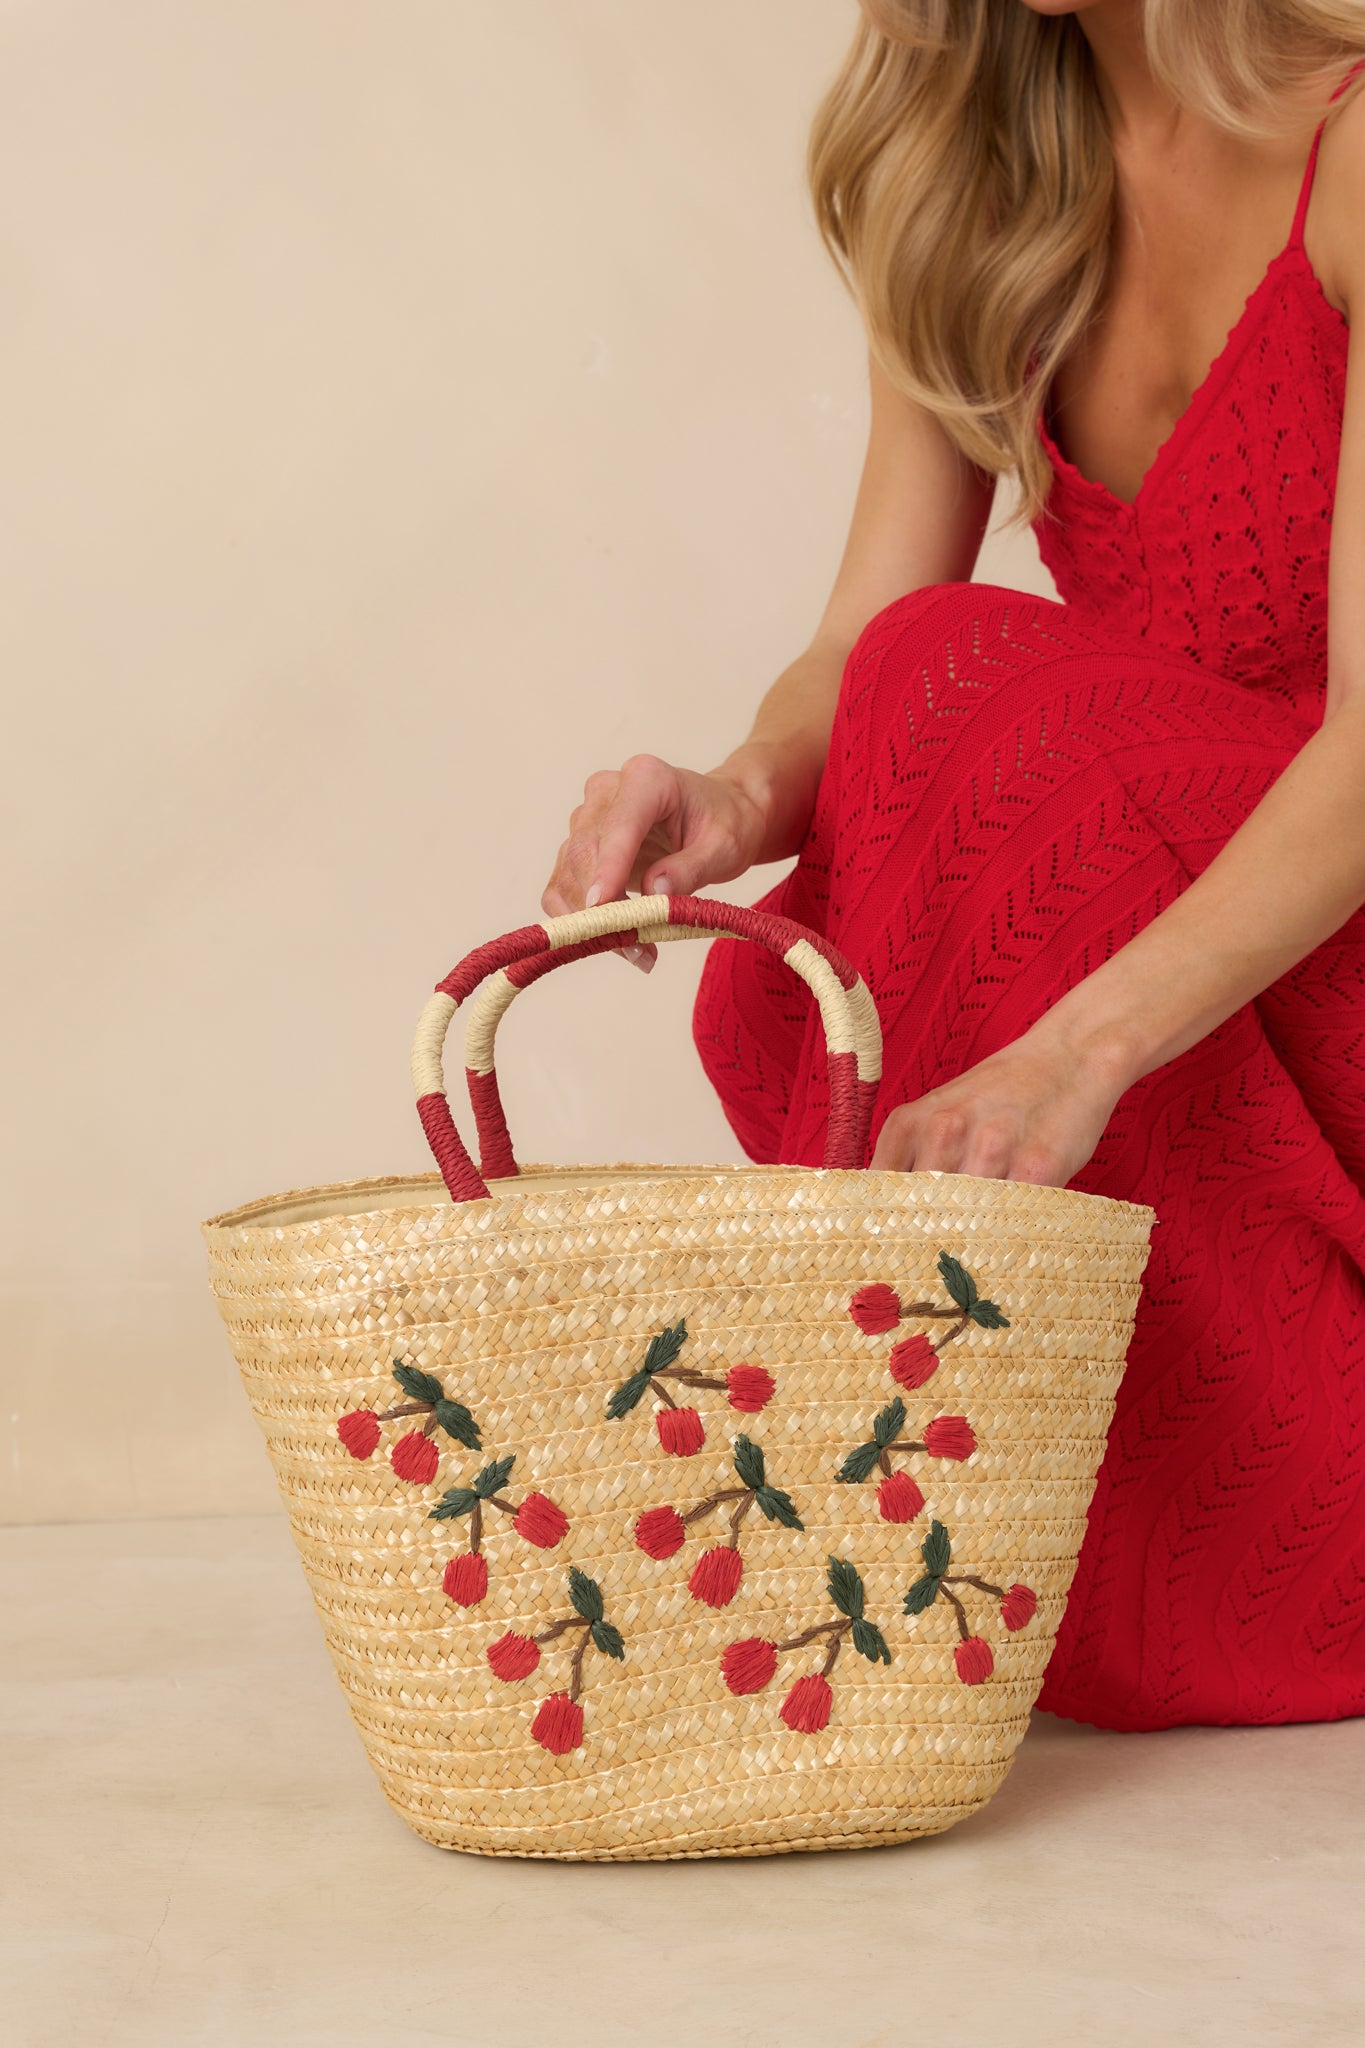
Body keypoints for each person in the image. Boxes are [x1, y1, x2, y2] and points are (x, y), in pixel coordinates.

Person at [539, 0, 1365, 1734]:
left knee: (967, 677)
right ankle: (1106, 1537)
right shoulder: (982, 178)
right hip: (1207, 967)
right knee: (806, 951)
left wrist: (1070, 1052)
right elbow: (862, 638)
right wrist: (735, 788)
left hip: (1321, 940)